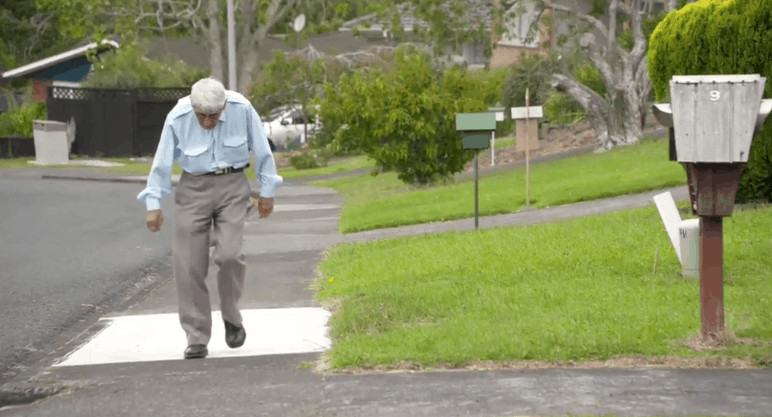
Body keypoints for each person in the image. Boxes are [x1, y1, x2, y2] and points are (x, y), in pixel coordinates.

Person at [137, 77, 282, 359]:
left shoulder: (242, 108)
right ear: (192, 107)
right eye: (201, 115)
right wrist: (153, 203)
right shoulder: (177, 116)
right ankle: (196, 335)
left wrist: (267, 191)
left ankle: (231, 316)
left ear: (224, 106)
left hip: (233, 186)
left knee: (229, 255)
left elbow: (263, 152)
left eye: (213, 116)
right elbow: (162, 160)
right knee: (188, 263)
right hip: (193, 188)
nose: (206, 121)